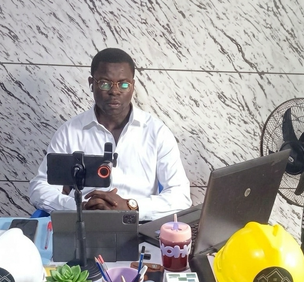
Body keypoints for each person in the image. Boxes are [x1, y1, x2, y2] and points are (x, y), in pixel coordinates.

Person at [29, 48, 192, 221]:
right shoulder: (69, 132)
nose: (115, 91)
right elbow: (39, 187)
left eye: (123, 84)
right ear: (91, 83)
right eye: (105, 83)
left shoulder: (156, 132)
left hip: (139, 224)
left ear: (133, 86)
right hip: (84, 222)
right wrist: (79, 206)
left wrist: (130, 206)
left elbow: (180, 196)